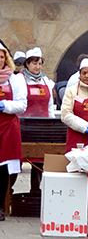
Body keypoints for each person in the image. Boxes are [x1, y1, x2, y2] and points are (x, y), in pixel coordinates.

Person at [19, 47, 56, 195]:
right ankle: (8, 191)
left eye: (40, 63)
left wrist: (52, 124)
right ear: (27, 64)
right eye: (34, 63)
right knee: (18, 160)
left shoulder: (46, 81)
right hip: (24, 126)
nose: (37, 67)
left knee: (39, 161)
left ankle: (35, 190)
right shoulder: (20, 80)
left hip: (42, 126)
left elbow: (50, 106)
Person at [0, 41, 27, 221]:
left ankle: (0, 206)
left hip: (7, 126)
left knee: (2, 170)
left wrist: (4, 105)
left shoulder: (15, 78)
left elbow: (22, 105)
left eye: (1, 57)